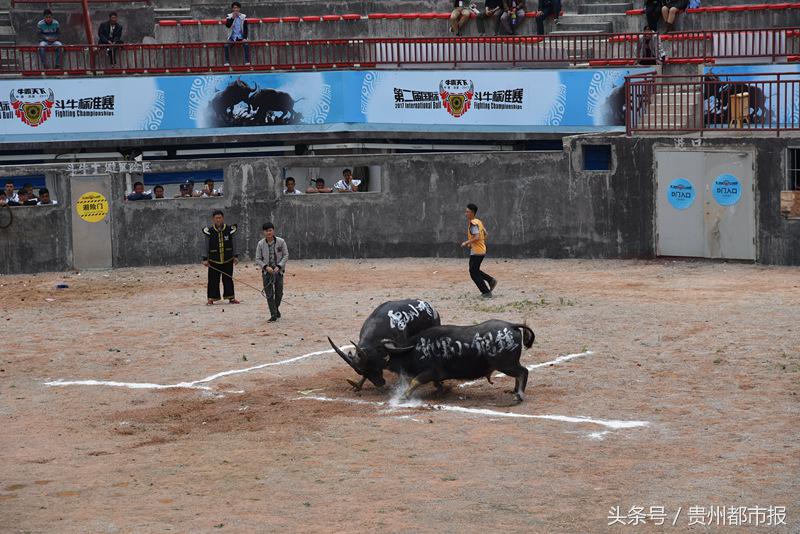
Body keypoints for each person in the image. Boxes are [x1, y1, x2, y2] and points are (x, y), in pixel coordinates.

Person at [202, 210, 240, 305]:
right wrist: (205, 259)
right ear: (213, 219)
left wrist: (235, 256)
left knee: (228, 278)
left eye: (220, 217)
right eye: (216, 218)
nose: (218, 219)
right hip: (214, 260)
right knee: (213, 279)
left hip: (227, 259)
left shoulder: (229, 229)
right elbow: (205, 245)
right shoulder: (209, 231)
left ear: (223, 218)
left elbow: (234, 243)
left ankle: (231, 297)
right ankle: (211, 298)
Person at [460, 203, 497, 298]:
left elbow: (476, 237)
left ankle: (486, 292)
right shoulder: (478, 221)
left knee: (473, 272)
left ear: (472, 213)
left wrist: (466, 242)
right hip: (479, 249)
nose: (466, 213)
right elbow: (485, 233)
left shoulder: (473, 223)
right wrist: (476, 242)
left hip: (477, 251)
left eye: (467, 212)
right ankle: (491, 280)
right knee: (474, 270)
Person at [255, 222, 289, 322]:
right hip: (266, 272)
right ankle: (273, 314)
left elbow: (286, 255)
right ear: (263, 232)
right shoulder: (260, 244)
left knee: (279, 293)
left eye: (270, 230)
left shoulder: (281, 242)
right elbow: (258, 259)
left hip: (278, 272)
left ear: (273, 231)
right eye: (266, 231)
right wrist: (265, 267)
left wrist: (279, 266)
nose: (268, 232)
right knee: (269, 294)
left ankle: (276, 308)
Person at [224, 1, 250, 66]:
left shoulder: (243, 17)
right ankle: (227, 61)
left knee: (246, 45)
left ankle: (247, 61)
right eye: (234, 8)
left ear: (239, 9)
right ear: (232, 9)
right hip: (232, 37)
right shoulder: (229, 16)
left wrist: (244, 38)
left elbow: (245, 28)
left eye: (237, 8)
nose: (236, 10)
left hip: (241, 37)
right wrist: (232, 18)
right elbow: (228, 25)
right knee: (226, 45)